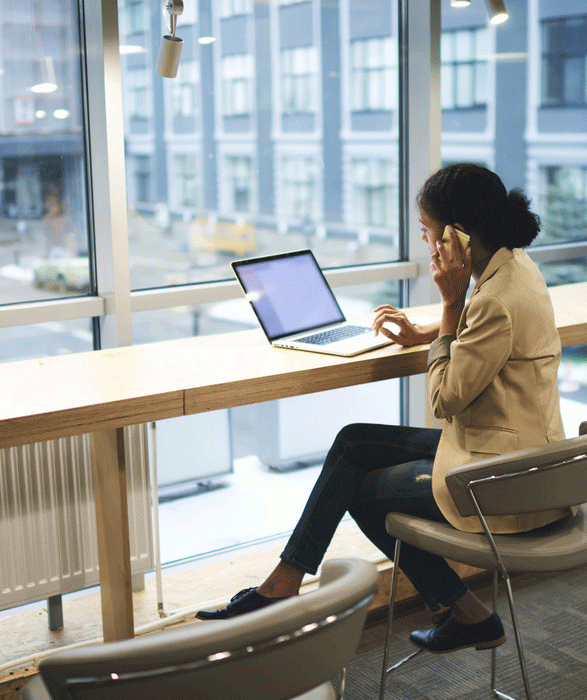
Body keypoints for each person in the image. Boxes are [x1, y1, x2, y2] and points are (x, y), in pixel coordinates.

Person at [196, 163, 566, 655]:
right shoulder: (514, 268)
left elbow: (443, 400)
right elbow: (488, 341)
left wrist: (450, 306)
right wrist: (432, 331)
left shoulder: (490, 298)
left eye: (429, 233)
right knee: (354, 441)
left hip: (501, 476)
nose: (427, 244)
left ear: (457, 237)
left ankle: (462, 612)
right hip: (518, 447)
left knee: (364, 492)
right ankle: (282, 585)